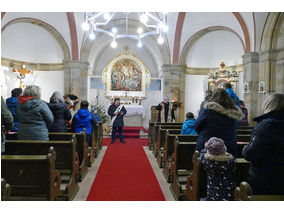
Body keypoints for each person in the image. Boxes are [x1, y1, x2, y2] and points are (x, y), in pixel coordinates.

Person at [242, 93, 284, 195]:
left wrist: (245, 149)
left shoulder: (265, 126)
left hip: (266, 179)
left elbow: (251, 154)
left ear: (267, 105)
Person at [194, 88, 244, 157]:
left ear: (213, 97)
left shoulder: (207, 110)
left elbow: (197, 126)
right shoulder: (233, 113)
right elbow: (237, 127)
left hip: (208, 145)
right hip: (228, 146)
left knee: (205, 165)